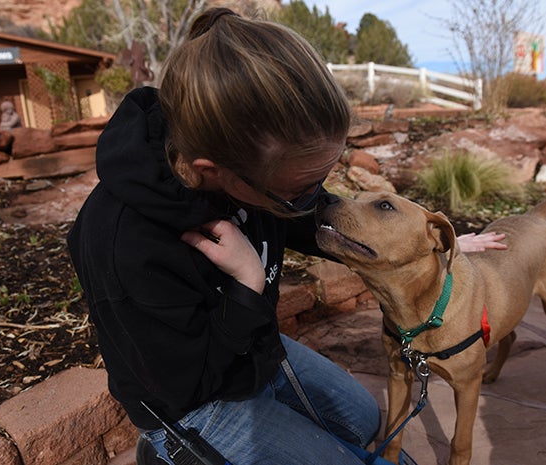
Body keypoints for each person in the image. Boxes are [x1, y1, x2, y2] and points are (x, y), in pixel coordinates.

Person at [67, 7, 505, 465]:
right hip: (192, 402)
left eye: (320, 181)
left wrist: (425, 245)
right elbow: (182, 385)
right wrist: (246, 285)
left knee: (363, 421)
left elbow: (310, 217)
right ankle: (169, 455)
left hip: (251, 345)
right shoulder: (124, 243)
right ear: (212, 171)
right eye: (301, 190)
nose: (316, 199)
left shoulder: (254, 171)